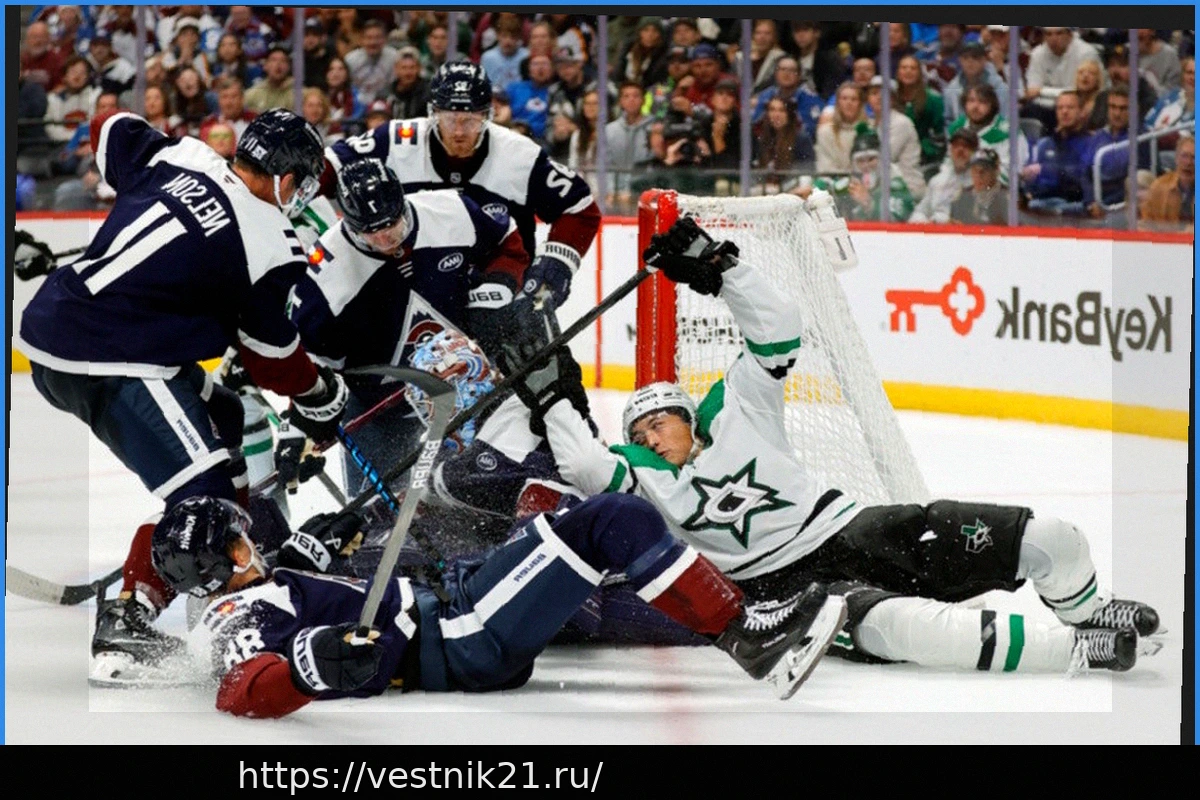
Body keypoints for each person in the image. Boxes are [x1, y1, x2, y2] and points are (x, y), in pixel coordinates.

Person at [524, 215, 1161, 678]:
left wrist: (723, 269)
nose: (648, 438)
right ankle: (1078, 650)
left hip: (856, 528)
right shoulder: (642, 481)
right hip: (779, 589)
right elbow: (584, 462)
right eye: (638, 435)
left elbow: (779, 329)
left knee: (1052, 538)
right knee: (904, 629)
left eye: (658, 423)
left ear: (688, 415)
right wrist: (552, 394)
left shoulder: (737, 406)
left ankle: (1089, 611)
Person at [16, 108, 346, 677]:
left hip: (55, 323)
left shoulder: (183, 154)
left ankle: (224, 566)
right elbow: (270, 359)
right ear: (288, 180)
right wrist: (320, 394)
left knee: (225, 414)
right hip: (113, 358)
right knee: (205, 496)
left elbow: (109, 125)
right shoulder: (272, 242)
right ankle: (128, 619)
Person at [149, 491, 846, 715]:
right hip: (460, 635)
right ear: (222, 563)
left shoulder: (255, 589)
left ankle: (736, 620)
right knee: (613, 520)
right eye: (237, 542)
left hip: (455, 603)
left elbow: (305, 592)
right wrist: (306, 672)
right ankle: (747, 636)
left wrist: (326, 544)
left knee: (555, 508)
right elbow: (244, 688)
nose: (251, 544)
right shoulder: (236, 618)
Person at [285, 157, 530, 494]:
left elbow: (507, 241)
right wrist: (307, 426)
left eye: (393, 224)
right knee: (379, 517)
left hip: (471, 387)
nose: (387, 239)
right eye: (372, 232)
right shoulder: (324, 274)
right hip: (378, 410)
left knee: (495, 488)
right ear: (348, 223)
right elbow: (308, 360)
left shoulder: (449, 210)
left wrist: (498, 288)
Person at [323, 61, 600, 348]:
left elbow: (580, 208)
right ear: (433, 113)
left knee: (546, 373)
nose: (458, 131)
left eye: (469, 120)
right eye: (449, 119)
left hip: (504, 301)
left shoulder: (519, 156)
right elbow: (328, 167)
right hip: (415, 304)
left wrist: (553, 269)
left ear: (487, 115)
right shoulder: (397, 142)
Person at [1021, 90, 1093, 214]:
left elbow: (1081, 177)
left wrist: (1046, 169)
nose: (1064, 112)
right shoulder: (1045, 143)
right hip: (1041, 202)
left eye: (1070, 107)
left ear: (1082, 112)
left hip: (1074, 205)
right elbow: (1030, 179)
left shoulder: (1091, 143)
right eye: (1060, 108)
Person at [910, 126, 978, 223]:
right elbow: (920, 212)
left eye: (966, 146)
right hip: (935, 229)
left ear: (975, 152)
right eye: (956, 145)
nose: (960, 150)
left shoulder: (981, 183)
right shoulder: (937, 181)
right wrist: (924, 222)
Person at [1141, 134, 1195, 224]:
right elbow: (1145, 223)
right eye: (1184, 156)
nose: (1188, 162)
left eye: (1194, 157)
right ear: (1176, 158)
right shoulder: (1159, 187)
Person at [950, 147, 1009, 225]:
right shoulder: (962, 198)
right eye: (974, 170)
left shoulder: (1009, 198)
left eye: (984, 170)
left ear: (996, 171)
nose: (978, 175)